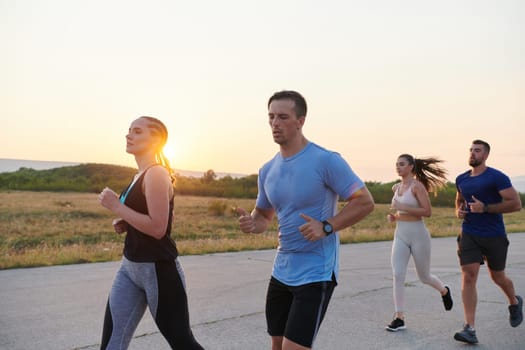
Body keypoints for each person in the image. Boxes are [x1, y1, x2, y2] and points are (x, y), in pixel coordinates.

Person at [236, 90, 375, 350]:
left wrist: (327, 226)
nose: (275, 123)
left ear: (300, 121)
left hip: (316, 271)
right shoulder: (268, 170)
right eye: (271, 117)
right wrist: (252, 224)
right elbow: (264, 216)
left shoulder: (326, 160)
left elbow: (364, 201)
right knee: (277, 344)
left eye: (283, 117)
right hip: (282, 268)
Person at [98, 116, 204, 350]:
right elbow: (158, 217)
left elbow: (158, 228)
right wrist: (125, 220)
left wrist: (117, 206)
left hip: (158, 270)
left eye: (137, 132)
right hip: (129, 267)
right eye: (129, 131)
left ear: (156, 140)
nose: (129, 135)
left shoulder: (156, 174)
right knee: (112, 343)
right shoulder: (139, 174)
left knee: (182, 343)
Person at [453, 139, 523, 344]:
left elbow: (515, 204)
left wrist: (485, 208)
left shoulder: (497, 177)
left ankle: (514, 301)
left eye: (477, 151)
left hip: (494, 235)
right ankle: (470, 328)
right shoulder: (461, 179)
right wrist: (459, 210)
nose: (473, 153)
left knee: (498, 277)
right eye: (471, 150)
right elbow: (459, 199)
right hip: (469, 233)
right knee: (469, 275)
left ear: (486, 155)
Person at [385, 154, 453, 332]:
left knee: (424, 277)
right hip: (400, 234)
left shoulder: (417, 187)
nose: (398, 167)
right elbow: (402, 212)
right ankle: (399, 317)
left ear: (411, 167)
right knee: (398, 274)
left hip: (418, 235)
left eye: (401, 164)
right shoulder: (396, 187)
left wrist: (402, 207)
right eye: (396, 164)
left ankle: (444, 291)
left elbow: (427, 212)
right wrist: (395, 216)